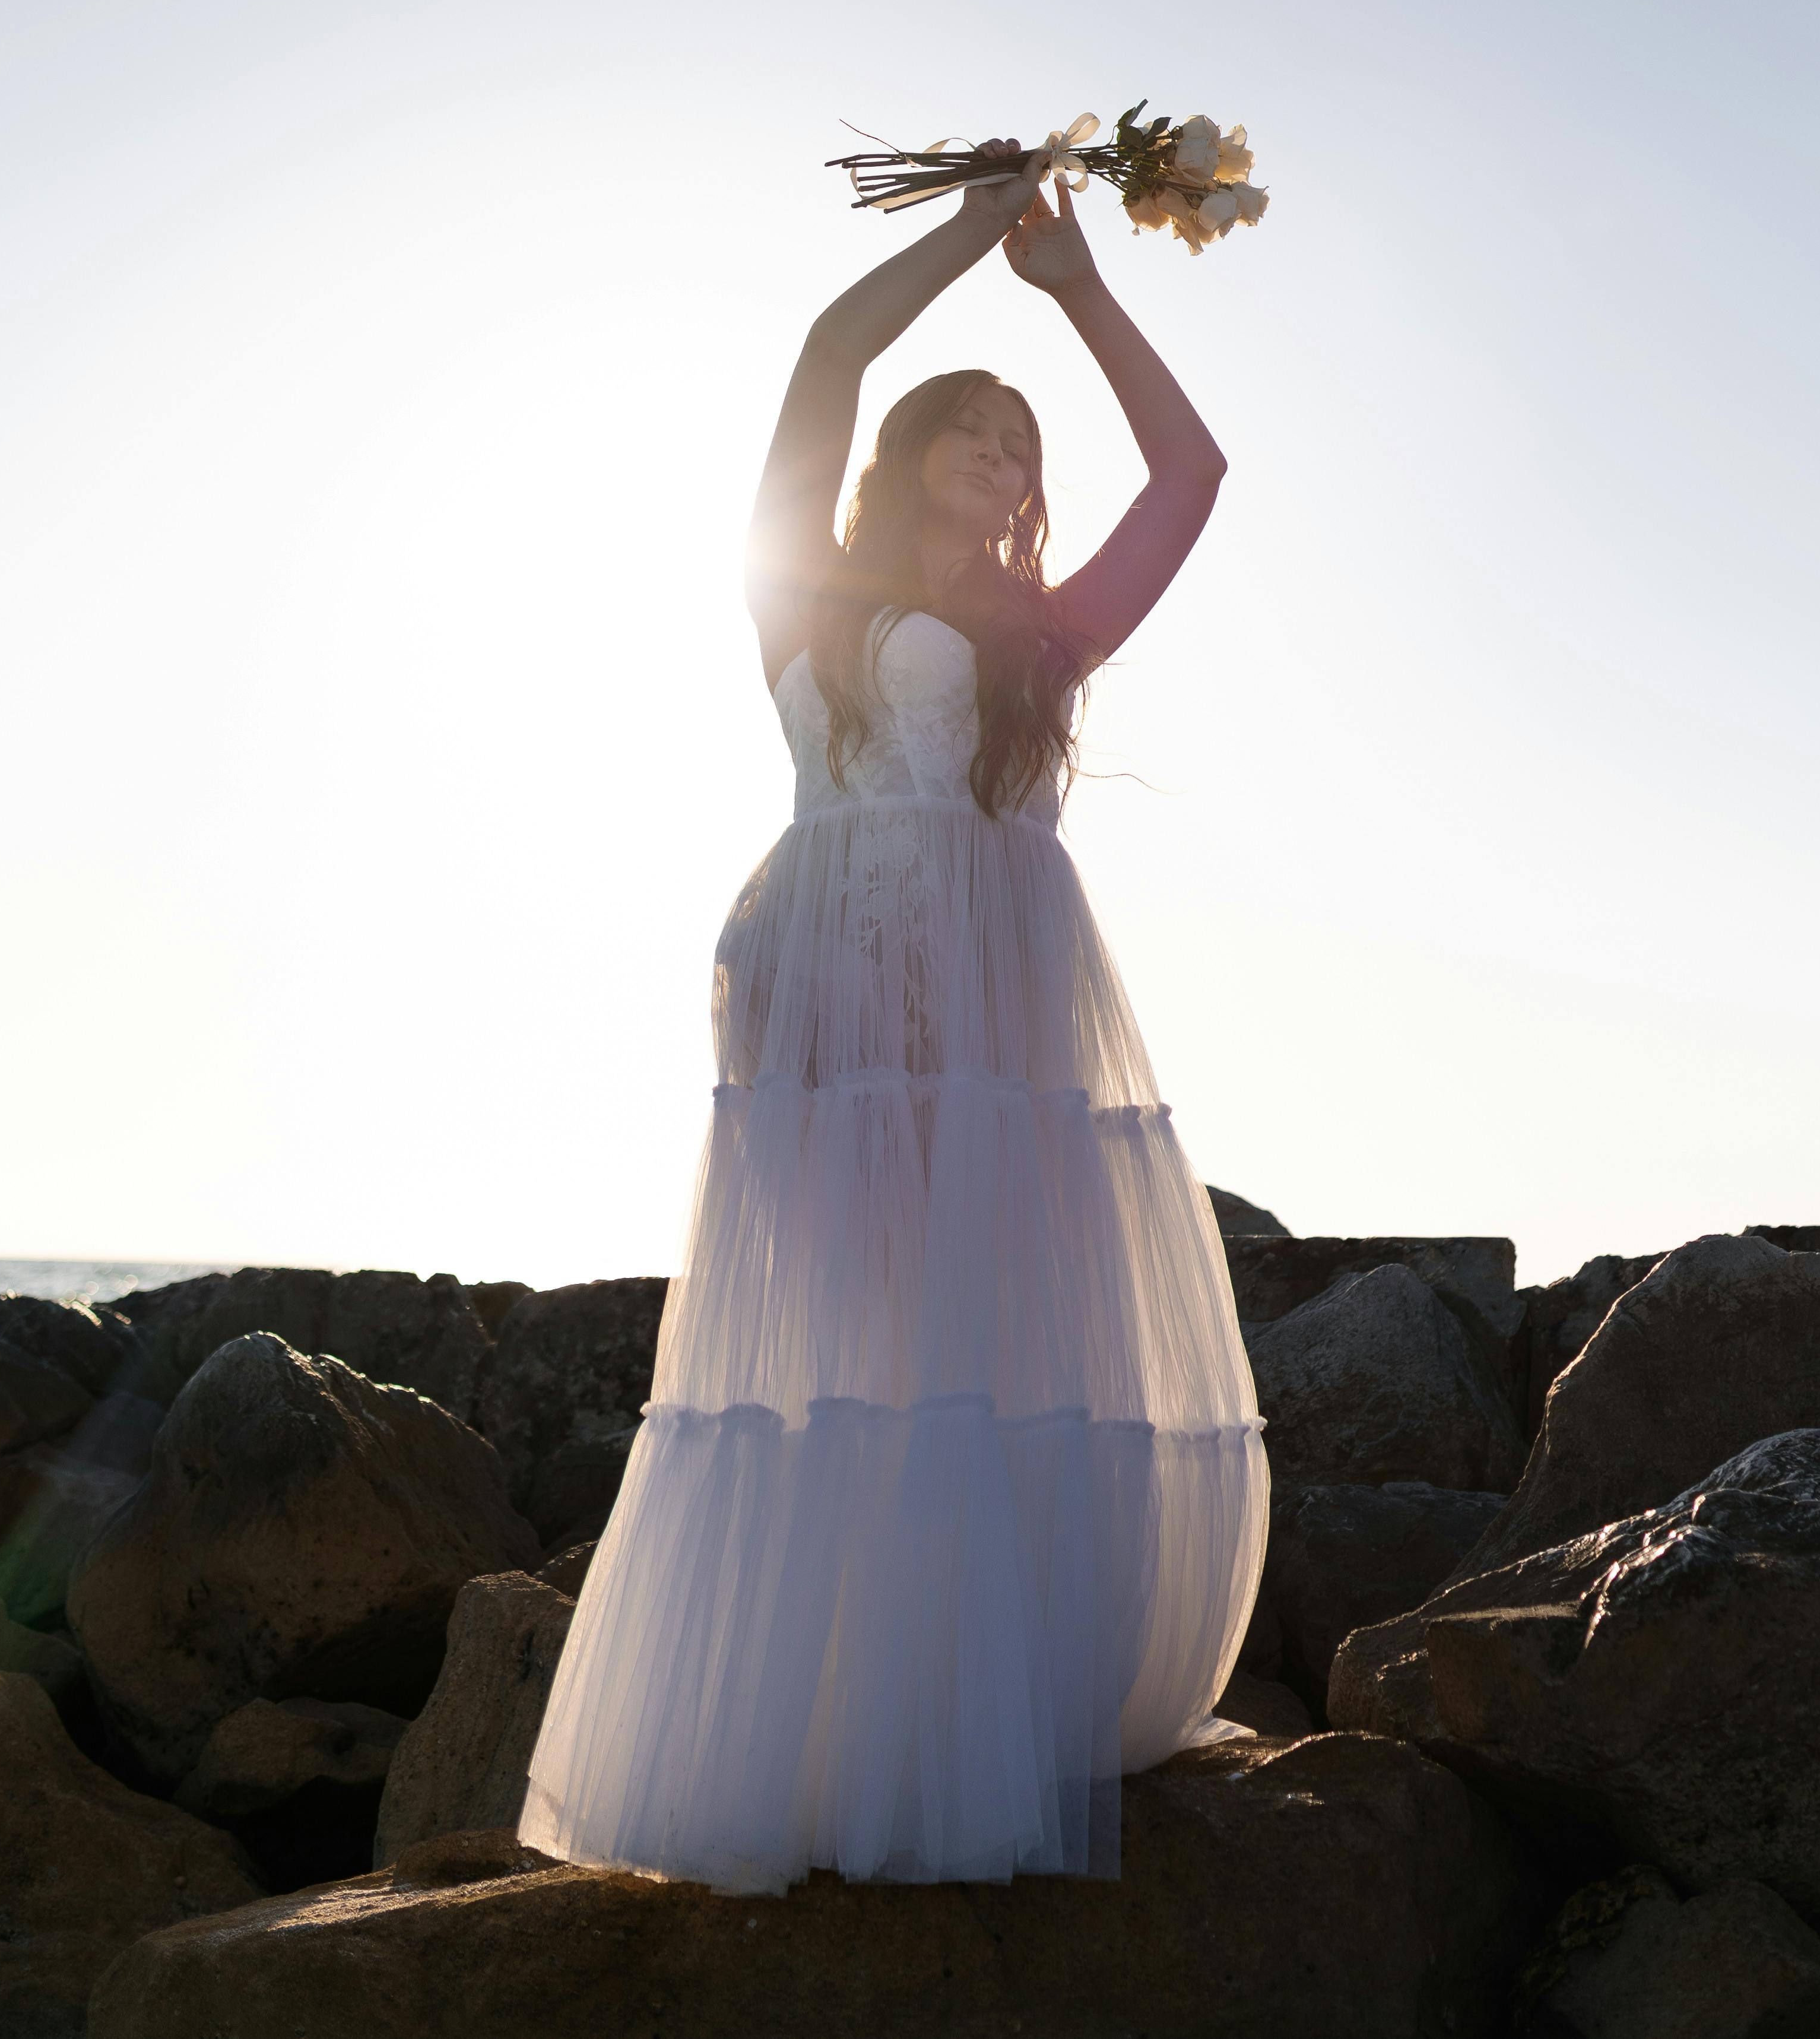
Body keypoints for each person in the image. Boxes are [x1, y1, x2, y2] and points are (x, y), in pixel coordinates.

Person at [520, 142, 1266, 1892]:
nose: (1006, 459)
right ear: (909, 450)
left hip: (989, 997)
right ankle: (843, 1720)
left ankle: (969, 1714)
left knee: (982, 1340)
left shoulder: (1043, 634)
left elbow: (1191, 473)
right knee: (848, 1349)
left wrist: (1078, 290)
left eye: (1023, 444)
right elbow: (828, 358)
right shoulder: (806, 592)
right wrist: (968, 231)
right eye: (975, 431)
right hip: (814, 983)